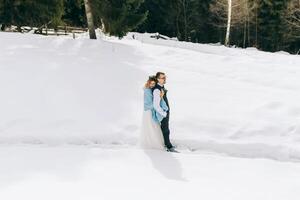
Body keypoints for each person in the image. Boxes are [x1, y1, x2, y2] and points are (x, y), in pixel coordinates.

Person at [152, 72, 176, 152]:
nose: (164, 79)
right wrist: (164, 113)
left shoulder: (161, 87)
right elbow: (156, 105)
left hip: (165, 112)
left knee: (166, 128)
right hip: (162, 113)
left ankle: (167, 144)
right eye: (162, 78)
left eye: (165, 77)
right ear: (158, 79)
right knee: (165, 129)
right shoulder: (156, 90)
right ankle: (168, 146)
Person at [140, 76, 165, 150]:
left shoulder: (148, 89)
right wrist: (160, 97)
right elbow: (149, 103)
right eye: (151, 83)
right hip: (148, 111)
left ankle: (153, 142)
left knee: (153, 126)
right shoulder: (147, 91)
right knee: (152, 126)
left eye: (154, 84)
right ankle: (153, 143)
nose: (152, 85)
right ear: (148, 83)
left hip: (149, 110)